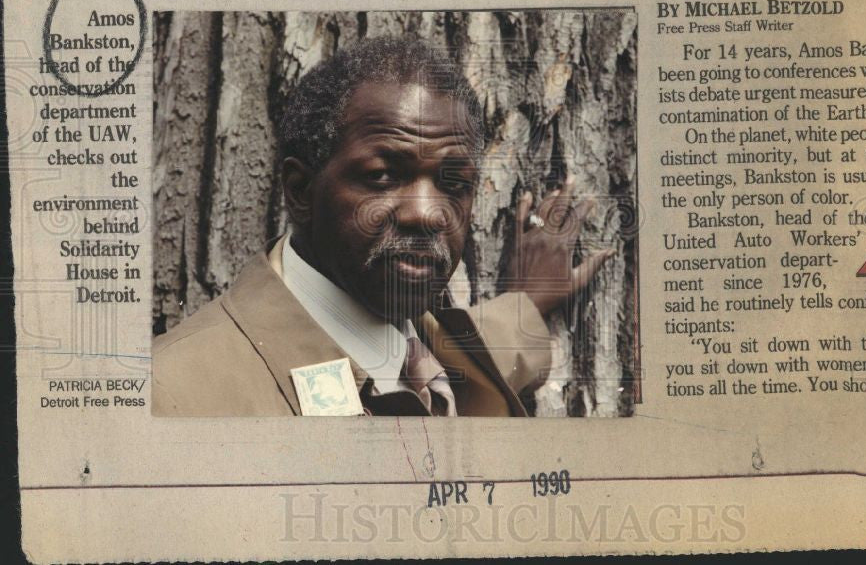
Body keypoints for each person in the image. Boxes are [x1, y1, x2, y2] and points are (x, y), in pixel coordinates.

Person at [152, 36, 612, 417]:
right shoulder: (171, 398)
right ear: (300, 190)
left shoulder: (435, 350)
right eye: (383, 176)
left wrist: (526, 304)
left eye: (454, 183)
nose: (427, 214)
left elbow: (481, 345)